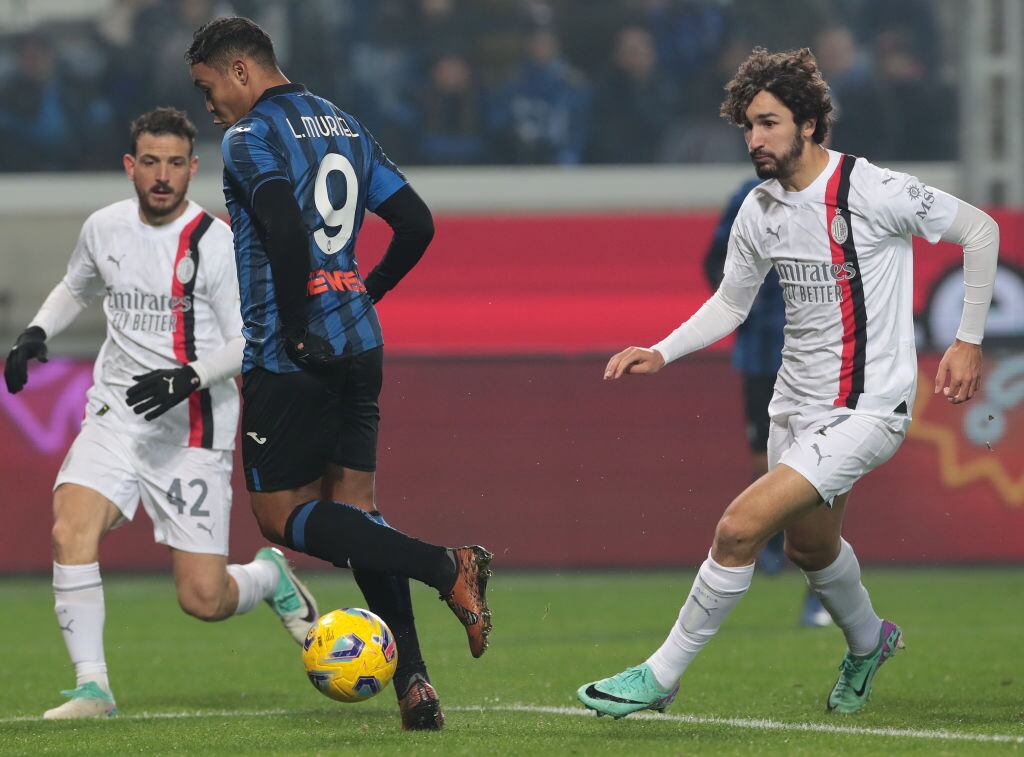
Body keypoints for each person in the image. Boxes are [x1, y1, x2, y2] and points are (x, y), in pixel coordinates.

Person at [577, 46, 998, 717]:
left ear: (808, 124)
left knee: (738, 528)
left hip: (867, 407)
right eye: (747, 126)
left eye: (768, 123)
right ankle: (869, 640)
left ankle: (659, 677)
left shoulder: (872, 190)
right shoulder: (759, 207)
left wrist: (968, 340)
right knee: (811, 545)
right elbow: (731, 303)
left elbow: (980, 229)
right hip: (794, 403)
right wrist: (662, 351)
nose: (755, 139)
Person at [184, 17, 493, 731]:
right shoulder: (344, 124)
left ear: (239, 71)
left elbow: (286, 230)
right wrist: (367, 288)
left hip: (292, 355)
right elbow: (415, 222)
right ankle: (413, 681)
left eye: (207, 88)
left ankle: (447, 566)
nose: (209, 107)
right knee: (355, 514)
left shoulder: (249, 137)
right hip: (361, 341)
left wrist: (293, 326)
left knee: (279, 515)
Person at [3, 107, 317, 720]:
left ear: (194, 168)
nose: (163, 175)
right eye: (151, 162)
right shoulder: (103, 228)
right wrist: (35, 331)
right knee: (70, 529)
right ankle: (92, 687)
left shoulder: (217, 242)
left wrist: (188, 377)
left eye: (176, 163)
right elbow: (76, 285)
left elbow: (251, 338)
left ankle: (267, 577)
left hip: (192, 430)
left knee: (203, 598)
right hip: (116, 416)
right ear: (131, 166)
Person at [704, 177, 830, 627]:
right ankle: (775, 542)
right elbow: (715, 260)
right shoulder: (749, 196)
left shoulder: (846, 188)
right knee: (768, 461)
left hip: (822, 357)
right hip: (762, 352)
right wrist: (744, 301)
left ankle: (819, 593)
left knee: (819, 467)